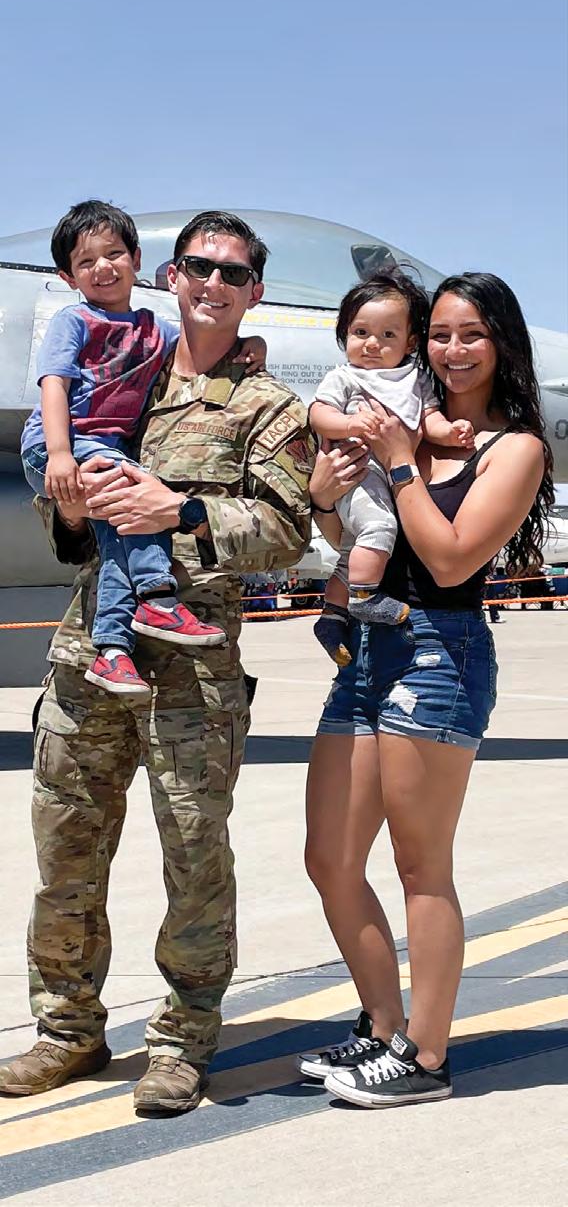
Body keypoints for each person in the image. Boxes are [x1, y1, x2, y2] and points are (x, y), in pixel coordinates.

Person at [0, 210, 316, 1115]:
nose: (213, 283)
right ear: (169, 277)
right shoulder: (122, 374)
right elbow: (64, 525)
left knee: (193, 857)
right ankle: (67, 1029)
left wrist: (179, 510)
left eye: (233, 273)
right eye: (198, 267)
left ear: (254, 291)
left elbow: (285, 533)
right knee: (65, 851)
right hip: (87, 657)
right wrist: (68, 501)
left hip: (194, 668)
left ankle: (182, 1041)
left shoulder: (268, 407)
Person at [298, 272, 553, 1108]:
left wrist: (403, 459)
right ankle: (382, 1025)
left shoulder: (513, 448)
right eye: (440, 333)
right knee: (330, 856)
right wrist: (324, 500)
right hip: (365, 648)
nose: (453, 348)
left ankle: (427, 1055)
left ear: (501, 341)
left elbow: (447, 558)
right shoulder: (398, 413)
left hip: (440, 652)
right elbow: (352, 531)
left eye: (471, 333)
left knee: (420, 865)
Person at [20, 200, 266, 696]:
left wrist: (252, 343)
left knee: (121, 530)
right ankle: (156, 595)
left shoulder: (155, 331)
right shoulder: (74, 320)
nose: (103, 267)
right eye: (86, 261)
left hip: (101, 449)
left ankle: (112, 650)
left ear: (136, 259)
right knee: (139, 495)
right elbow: (53, 384)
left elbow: (199, 343)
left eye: (114, 254)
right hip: (60, 443)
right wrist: (61, 454)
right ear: (67, 276)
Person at [309, 272, 474, 667]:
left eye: (387, 335)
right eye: (360, 332)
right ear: (344, 335)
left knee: (354, 549)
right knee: (380, 528)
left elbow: (428, 419)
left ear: (410, 343)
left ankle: (332, 616)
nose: (372, 343)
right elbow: (318, 414)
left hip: (385, 476)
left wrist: (450, 433)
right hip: (359, 470)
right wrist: (349, 424)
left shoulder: (415, 378)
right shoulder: (345, 376)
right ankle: (365, 598)